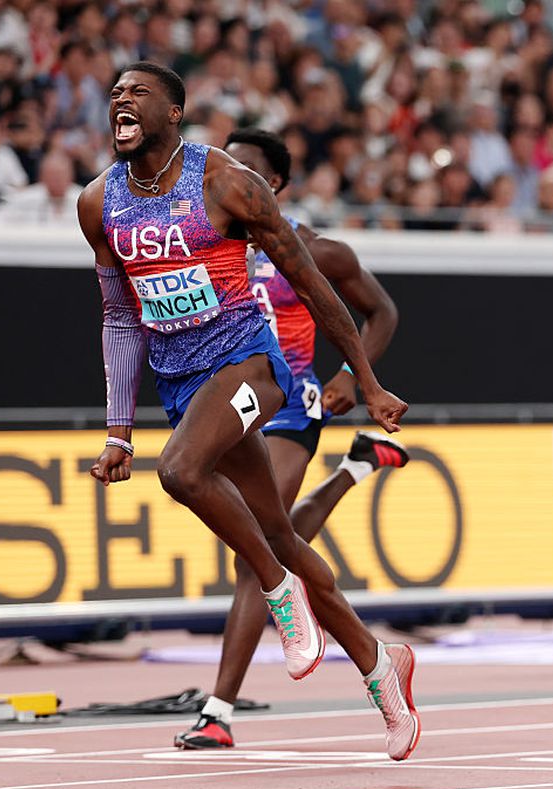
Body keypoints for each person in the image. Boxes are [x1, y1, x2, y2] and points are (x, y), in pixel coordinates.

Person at [77, 62, 419, 761]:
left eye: (137, 91)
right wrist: (118, 431)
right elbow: (118, 318)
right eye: (114, 91)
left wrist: (365, 380)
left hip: (253, 367)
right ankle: (380, 665)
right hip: (181, 383)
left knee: (181, 472)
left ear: (174, 112)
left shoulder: (226, 182)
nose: (120, 99)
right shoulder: (97, 203)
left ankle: (277, 593)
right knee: (280, 533)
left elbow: (317, 287)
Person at [174, 126, 407, 750]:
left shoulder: (314, 249)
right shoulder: (202, 239)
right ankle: (354, 470)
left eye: (241, 166)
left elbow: (382, 312)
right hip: (229, 397)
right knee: (270, 537)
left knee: (257, 551)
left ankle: (218, 711)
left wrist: (351, 377)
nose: (222, 173)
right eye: (220, 163)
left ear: (271, 183)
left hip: (289, 400)